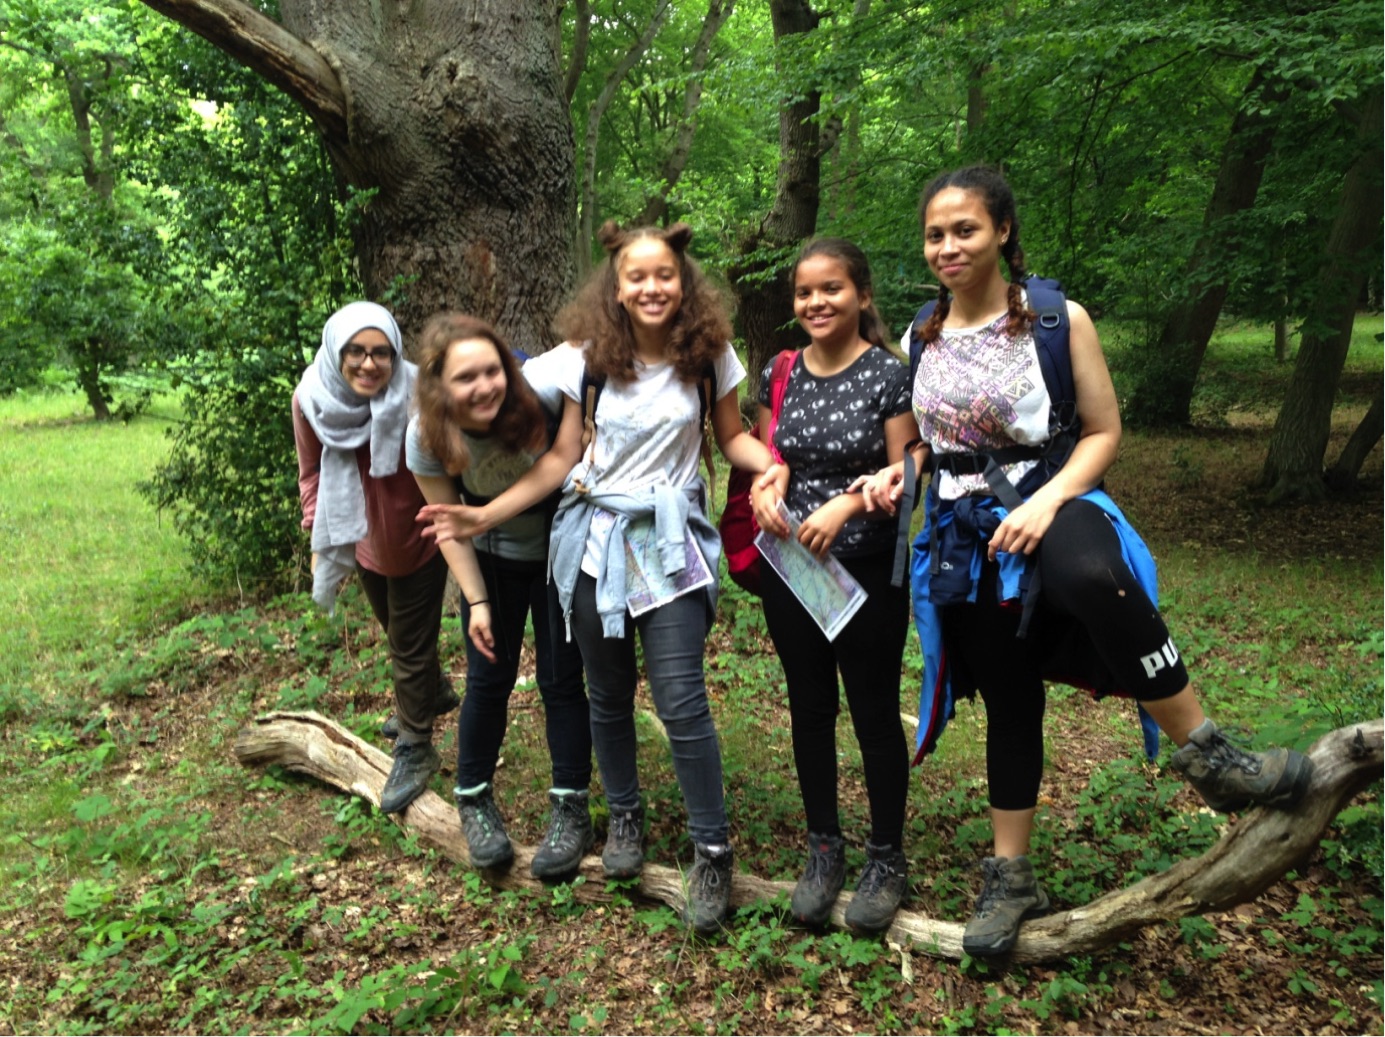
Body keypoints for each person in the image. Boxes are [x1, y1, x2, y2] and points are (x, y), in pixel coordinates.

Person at [860, 165, 1314, 957]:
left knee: (1093, 575)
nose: (947, 247)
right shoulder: (918, 334)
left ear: (1001, 230)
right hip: (965, 536)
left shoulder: (1053, 319)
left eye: (963, 229)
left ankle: (1209, 755)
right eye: (934, 234)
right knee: (1006, 692)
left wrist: (1044, 501)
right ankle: (1010, 876)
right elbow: (932, 443)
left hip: (1054, 493)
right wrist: (896, 473)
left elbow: (1103, 431)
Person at [417, 221, 776, 933]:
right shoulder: (586, 359)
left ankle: (712, 849)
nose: (651, 287)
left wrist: (773, 465)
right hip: (592, 544)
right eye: (635, 276)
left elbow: (732, 436)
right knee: (605, 693)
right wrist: (474, 505)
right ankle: (624, 821)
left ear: (684, 281)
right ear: (615, 287)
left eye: (664, 275)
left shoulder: (709, 356)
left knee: (679, 697)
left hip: (669, 544)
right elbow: (508, 392)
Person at [748, 239, 916, 934]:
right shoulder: (780, 370)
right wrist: (767, 486)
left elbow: (908, 471)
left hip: (867, 568)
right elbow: (767, 455)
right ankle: (823, 847)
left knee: (873, 711)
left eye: (831, 289)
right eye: (804, 293)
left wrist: (848, 504)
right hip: (793, 570)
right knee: (809, 707)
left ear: (862, 296)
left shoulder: (887, 376)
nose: (816, 302)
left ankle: (885, 855)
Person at [406, 313, 594, 879]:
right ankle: (474, 797)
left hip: (565, 555)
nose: (486, 385)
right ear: (440, 386)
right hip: (494, 561)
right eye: (467, 378)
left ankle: (571, 807)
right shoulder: (426, 437)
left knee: (563, 682)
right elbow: (449, 526)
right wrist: (477, 602)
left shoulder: (542, 397)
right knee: (489, 680)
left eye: (494, 370)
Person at [293, 301, 455, 815]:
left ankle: (415, 745)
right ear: (335, 353)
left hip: (420, 536)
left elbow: (451, 460)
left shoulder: (417, 395)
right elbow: (312, 472)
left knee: (407, 642)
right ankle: (434, 691)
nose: (369, 365)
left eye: (381, 353)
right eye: (356, 353)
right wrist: (319, 541)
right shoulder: (311, 399)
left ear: (396, 353)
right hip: (359, 536)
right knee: (398, 631)